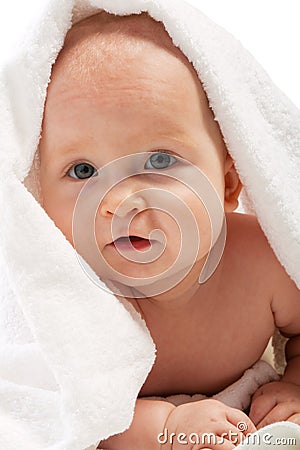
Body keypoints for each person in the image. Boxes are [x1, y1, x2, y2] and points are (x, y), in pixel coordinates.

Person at [35, 10, 300, 450]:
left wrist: (293, 386)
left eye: (159, 161)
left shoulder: (262, 263)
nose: (119, 201)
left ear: (230, 183)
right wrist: (165, 426)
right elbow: (59, 409)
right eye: (83, 170)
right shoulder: (63, 297)